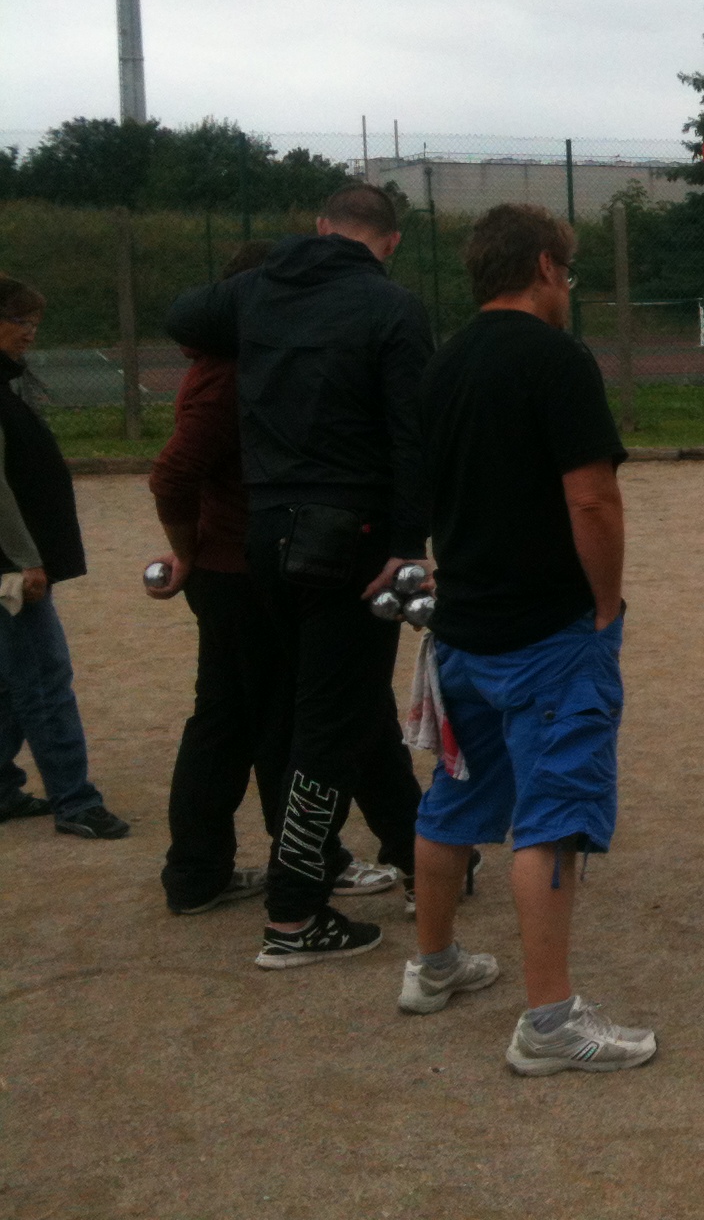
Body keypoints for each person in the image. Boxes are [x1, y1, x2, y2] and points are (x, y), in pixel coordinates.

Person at [404, 203, 654, 1075]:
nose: (570, 289)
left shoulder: (441, 365)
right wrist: (606, 604)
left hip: (463, 626)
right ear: (546, 266)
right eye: (570, 273)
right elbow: (591, 498)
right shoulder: (557, 362)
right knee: (553, 813)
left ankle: (432, 965)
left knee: (454, 796)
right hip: (549, 628)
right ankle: (549, 1023)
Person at [165, 183, 429, 966]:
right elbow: (414, 437)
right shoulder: (392, 308)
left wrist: (273, 278)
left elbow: (185, 314)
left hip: (265, 536)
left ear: (319, 229)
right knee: (332, 722)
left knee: (300, 712)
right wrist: (411, 544)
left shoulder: (259, 294)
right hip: (354, 534)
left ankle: (369, 867)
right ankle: (294, 913)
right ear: (392, 241)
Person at [0, 277, 130, 838]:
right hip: (8, 563)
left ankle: (1, 790)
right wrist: (25, 558)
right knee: (44, 677)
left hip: (11, 558)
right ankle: (75, 802)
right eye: (22, 323)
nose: (30, 335)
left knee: (11, 680)